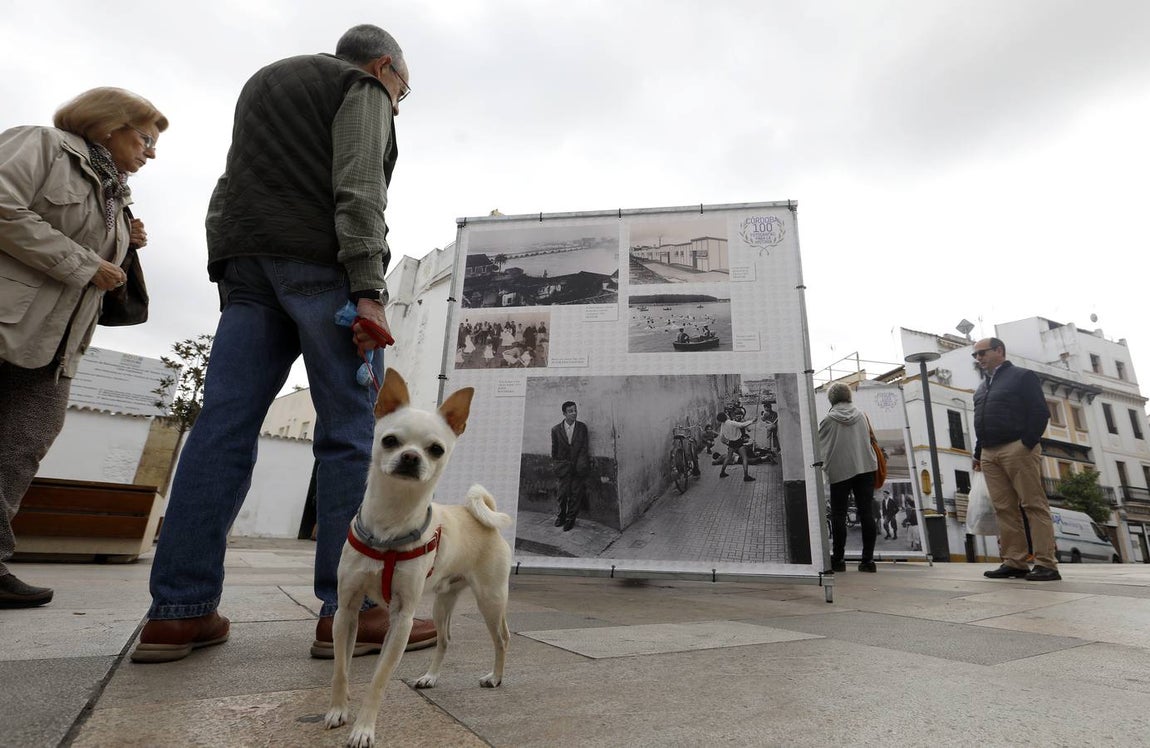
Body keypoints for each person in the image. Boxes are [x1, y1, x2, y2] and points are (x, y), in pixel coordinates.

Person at [130, 24, 437, 663]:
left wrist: (230, 268)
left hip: (248, 268)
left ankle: (177, 614)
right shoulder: (363, 87)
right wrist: (369, 287)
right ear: (385, 66)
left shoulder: (264, 82)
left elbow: (230, 184)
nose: (398, 102)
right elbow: (359, 186)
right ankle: (354, 614)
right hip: (324, 272)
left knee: (221, 428)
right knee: (353, 434)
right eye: (403, 91)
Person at [0, 88, 165, 609]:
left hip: (57, 347)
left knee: (19, 451)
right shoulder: (43, 145)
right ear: (107, 125)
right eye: (145, 138)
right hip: (7, 324)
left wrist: (123, 246)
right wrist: (86, 262)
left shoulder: (117, 198)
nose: (151, 153)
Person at [971, 337, 1059, 581]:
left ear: (999, 350)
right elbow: (981, 421)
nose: (978, 358)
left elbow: (1040, 412)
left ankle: (1046, 564)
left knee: (1033, 505)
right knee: (1004, 509)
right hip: (989, 453)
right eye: (975, 355)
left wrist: (1027, 443)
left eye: (982, 353)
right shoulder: (982, 387)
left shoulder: (1022, 376)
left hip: (1017, 448)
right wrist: (979, 453)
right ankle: (1015, 561)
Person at [818, 382, 879, 572]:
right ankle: (868, 561)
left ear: (831, 399)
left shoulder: (828, 420)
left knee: (838, 514)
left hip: (840, 471)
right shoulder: (862, 416)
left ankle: (838, 560)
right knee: (867, 513)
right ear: (849, 396)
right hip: (865, 469)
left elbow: (819, 446)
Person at [551, 401, 591, 531]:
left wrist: (581, 465)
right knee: (562, 494)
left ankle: (570, 519)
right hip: (563, 468)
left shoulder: (582, 427)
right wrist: (557, 465)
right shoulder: (556, 430)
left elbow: (584, 448)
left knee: (575, 494)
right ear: (564, 413)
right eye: (570, 411)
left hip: (578, 467)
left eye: (575, 410)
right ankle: (561, 516)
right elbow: (554, 450)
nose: (574, 413)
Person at [716, 411, 756, 482]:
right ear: (725, 416)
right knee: (744, 458)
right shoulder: (731, 422)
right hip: (738, 442)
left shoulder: (723, 425)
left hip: (731, 443)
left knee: (728, 458)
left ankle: (722, 472)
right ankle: (746, 476)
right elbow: (742, 425)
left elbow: (721, 436)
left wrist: (726, 442)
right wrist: (752, 421)